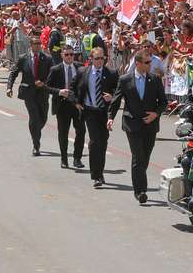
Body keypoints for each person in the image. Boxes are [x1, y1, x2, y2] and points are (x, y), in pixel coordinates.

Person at [109, 49, 167, 203]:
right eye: (147, 62)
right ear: (138, 63)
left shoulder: (155, 79)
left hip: (150, 125)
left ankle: (140, 181)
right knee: (138, 157)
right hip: (132, 124)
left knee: (145, 157)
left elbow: (163, 102)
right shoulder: (125, 79)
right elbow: (116, 100)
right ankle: (140, 191)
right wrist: (110, 118)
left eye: (150, 62)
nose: (150, 65)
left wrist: (155, 114)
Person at [69, 47, 119, 187]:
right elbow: (72, 88)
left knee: (103, 143)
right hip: (90, 111)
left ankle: (100, 172)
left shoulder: (111, 73)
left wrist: (112, 97)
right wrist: (76, 102)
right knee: (95, 141)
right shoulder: (83, 72)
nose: (100, 61)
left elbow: (119, 92)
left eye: (102, 58)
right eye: (97, 58)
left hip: (104, 112)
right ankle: (96, 175)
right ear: (91, 58)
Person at [7, 38, 52, 156]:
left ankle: (35, 131)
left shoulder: (47, 59)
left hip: (42, 92)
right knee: (34, 117)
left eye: (39, 44)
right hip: (28, 93)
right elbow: (14, 72)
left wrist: (45, 83)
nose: (38, 46)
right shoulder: (23, 58)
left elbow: (52, 75)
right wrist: (9, 87)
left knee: (43, 118)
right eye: (35, 44)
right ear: (31, 45)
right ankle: (36, 145)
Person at [46, 45, 84, 169]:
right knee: (63, 133)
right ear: (62, 55)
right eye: (66, 54)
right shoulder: (56, 69)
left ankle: (77, 158)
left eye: (71, 54)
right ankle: (64, 159)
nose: (69, 57)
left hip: (77, 105)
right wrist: (59, 91)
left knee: (81, 132)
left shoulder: (80, 67)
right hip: (62, 105)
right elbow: (47, 87)